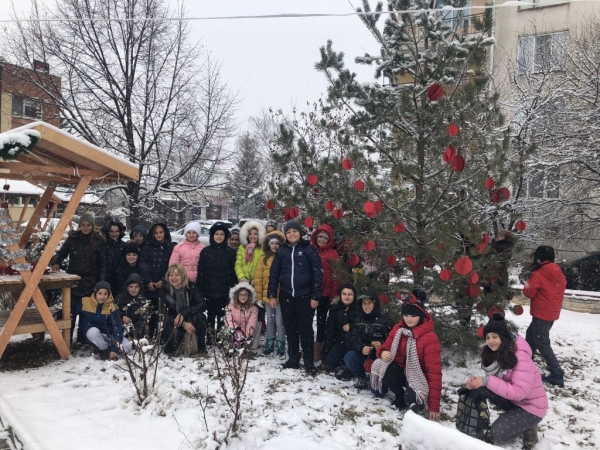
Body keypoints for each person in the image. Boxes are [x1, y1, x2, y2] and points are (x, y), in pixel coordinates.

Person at [465, 313, 547, 448]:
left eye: (494, 337)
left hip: (531, 408)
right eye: (487, 337)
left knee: (496, 434)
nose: (490, 341)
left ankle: (528, 426)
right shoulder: (496, 352)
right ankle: (479, 422)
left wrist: (486, 381)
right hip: (515, 402)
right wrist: (477, 381)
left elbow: (519, 392)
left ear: (503, 337)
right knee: (480, 388)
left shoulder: (521, 358)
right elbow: (496, 381)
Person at [371, 291, 442, 421]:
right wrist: (382, 352)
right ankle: (400, 396)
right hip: (402, 372)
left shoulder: (430, 338)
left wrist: (434, 406)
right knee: (382, 365)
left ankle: (414, 400)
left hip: (419, 377)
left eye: (413, 315)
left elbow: (434, 373)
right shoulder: (398, 329)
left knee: (412, 398)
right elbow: (384, 347)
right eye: (406, 315)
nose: (409, 319)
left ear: (421, 315)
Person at [268, 220, 323, 375]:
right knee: (290, 328)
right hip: (287, 294)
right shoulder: (282, 251)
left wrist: (315, 296)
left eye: (294, 231)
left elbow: (317, 273)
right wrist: (272, 294)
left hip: (305, 295)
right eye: (289, 232)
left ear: (300, 233)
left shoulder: (308, 249)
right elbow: (274, 274)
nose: (292, 234)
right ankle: (293, 357)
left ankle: (309, 361)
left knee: (306, 330)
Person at [50, 211, 106, 343]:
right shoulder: (73, 239)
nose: (85, 227)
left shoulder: (98, 241)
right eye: (83, 225)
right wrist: (56, 262)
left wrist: (101, 282)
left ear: (93, 226)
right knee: (70, 310)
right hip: (74, 279)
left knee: (86, 311)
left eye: (88, 225)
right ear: (79, 226)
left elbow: (103, 263)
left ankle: (83, 338)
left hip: (91, 281)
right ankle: (67, 338)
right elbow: (62, 252)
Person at [523, 245, 567, 387]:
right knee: (531, 335)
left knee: (542, 343)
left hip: (541, 314)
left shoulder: (538, 273)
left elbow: (528, 293)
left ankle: (557, 374)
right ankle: (525, 362)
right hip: (552, 312)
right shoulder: (558, 271)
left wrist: (526, 280)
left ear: (538, 257)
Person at [344, 290, 394, 388]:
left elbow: (393, 340)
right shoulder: (357, 320)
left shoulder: (386, 321)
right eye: (364, 303)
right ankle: (362, 377)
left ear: (375, 303)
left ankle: (378, 379)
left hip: (380, 357)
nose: (367, 306)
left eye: (369, 303)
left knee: (378, 392)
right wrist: (361, 348)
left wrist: (382, 345)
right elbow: (353, 339)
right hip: (363, 355)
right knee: (349, 357)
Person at [196, 222, 238, 339]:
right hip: (209, 290)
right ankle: (210, 337)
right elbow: (201, 271)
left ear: (225, 236)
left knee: (223, 316)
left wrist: (233, 288)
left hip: (225, 290)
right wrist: (200, 289)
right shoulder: (206, 252)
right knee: (210, 315)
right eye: (216, 234)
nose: (219, 236)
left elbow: (233, 272)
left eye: (221, 234)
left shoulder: (231, 252)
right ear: (212, 236)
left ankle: (220, 338)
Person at [310, 224, 340, 366]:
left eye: (325, 238)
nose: (321, 240)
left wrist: (333, 295)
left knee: (321, 322)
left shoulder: (332, 254)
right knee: (307, 321)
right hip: (310, 293)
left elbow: (336, 276)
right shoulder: (310, 250)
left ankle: (318, 349)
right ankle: (308, 346)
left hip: (325, 295)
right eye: (320, 237)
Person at [160, 264, 207, 355]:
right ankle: (179, 346)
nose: (173, 278)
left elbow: (202, 305)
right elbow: (163, 315)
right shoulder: (164, 291)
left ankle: (201, 347)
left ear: (183, 276)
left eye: (177, 275)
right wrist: (183, 323)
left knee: (201, 317)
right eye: (171, 275)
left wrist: (183, 314)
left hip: (190, 318)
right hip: (173, 322)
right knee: (175, 339)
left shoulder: (191, 287)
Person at [254, 230, 286, 357]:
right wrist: (259, 296)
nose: (274, 246)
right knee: (270, 320)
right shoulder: (264, 259)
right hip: (268, 296)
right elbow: (258, 279)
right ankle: (269, 343)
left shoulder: (284, 257)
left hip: (281, 296)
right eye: (272, 243)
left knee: (280, 321)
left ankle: (281, 344)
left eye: (277, 243)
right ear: (268, 245)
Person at [235, 220, 267, 349]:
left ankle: (255, 339)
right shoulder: (242, 248)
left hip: (257, 283)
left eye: (255, 233)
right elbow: (238, 264)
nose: (253, 236)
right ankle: (243, 337)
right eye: (251, 233)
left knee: (259, 312)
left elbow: (262, 264)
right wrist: (242, 277)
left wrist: (256, 279)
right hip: (244, 283)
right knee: (245, 310)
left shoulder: (262, 248)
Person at [81, 281, 131, 360]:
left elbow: (118, 327)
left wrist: (114, 349)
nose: (102, 296)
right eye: (100, 293)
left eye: (105, 294)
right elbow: (70, 309)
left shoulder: (113, 307)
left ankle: (107, 347)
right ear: (95, 293)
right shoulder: (86, 302)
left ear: (109, 294)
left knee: (127, 347)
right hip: (94, 334)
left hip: (108, 335)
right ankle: (104, 349)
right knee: (93, 332)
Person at [322, 283, 357, 374]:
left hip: (355, 344)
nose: (347, 297)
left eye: (350, 294)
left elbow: (363, 326)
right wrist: (325, 354)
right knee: (330, 363)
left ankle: (350, 366)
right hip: (339, 342)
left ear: (354, 296)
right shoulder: (335, 310)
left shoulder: (359, 309)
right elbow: (330, 333)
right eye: (344, 294)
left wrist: (351, 327)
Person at [225, 282, 259, 348]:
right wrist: (236, 329)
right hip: (233, 331)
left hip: (246, 334)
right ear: (237, 295)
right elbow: (228, 320)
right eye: (241, 295)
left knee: (244, 346)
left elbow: (251, 324)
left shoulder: (254, 309)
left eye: (245, 295)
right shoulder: (230, 306)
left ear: (249, 296)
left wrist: (244, 335)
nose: (243, 297)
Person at [115, 273, 149, 339]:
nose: (133, 289)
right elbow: (114, 313)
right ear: (127, 288)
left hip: (138, 334)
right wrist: (122, 317)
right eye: (131, 287)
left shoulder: (144, 301)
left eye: (136, 287)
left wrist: (134, 334)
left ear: (140, 288)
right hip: (121, 331)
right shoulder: (119, 299)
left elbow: (142, 321)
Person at [101, 219, 126, 294]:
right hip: (105, 279)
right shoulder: (103, 244)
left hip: (119, 281)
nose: (114, 234)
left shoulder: (124, 246)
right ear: (107, 232)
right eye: (111, 231)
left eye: (117, 231)